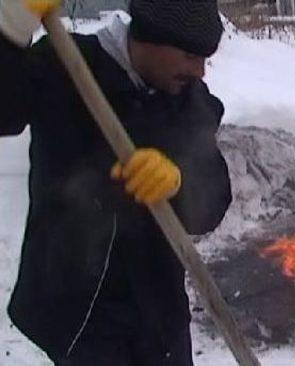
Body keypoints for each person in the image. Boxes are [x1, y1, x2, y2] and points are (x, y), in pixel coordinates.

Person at [0, 0, 232, 364]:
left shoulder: (189, 103)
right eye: (189, 55)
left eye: (205, 58)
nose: (200, 71)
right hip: (83, 310)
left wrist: (180, 181)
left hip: (161, 315)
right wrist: (10, 27)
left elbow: (213, 199)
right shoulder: (68, 67)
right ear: (151, 37)